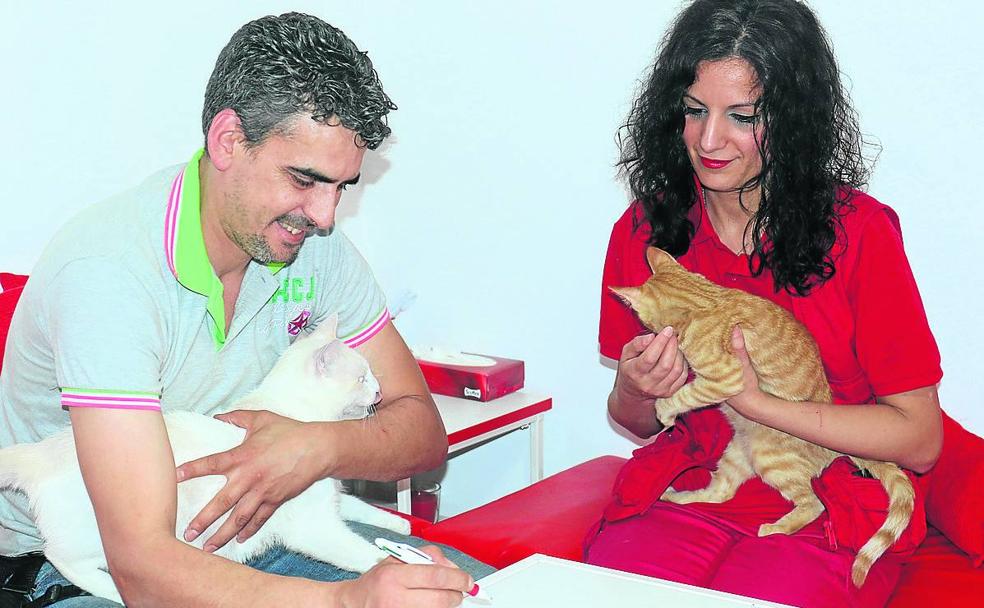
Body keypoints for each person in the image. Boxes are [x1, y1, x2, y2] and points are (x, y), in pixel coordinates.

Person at [0, 12, 491, 608]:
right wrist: (347, 601)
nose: (326, 216)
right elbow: (142, 565)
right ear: (228, 140)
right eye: (306, 179)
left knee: (482, 592)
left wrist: (317, 446)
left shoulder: (319, 250)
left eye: (343, 187)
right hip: (82, 565)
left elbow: (422, 433)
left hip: (259, 532)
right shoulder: (108, 272)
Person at [586, 1, 943, 606]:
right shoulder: (645, 235)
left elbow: (920, 439)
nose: (709, 139)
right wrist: (636, 388)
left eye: (743, 116)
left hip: (829, 498)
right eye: (694, 110)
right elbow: (637, 423)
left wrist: (754, 402)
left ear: (795, 120)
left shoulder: (860, 232)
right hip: (701, 486)